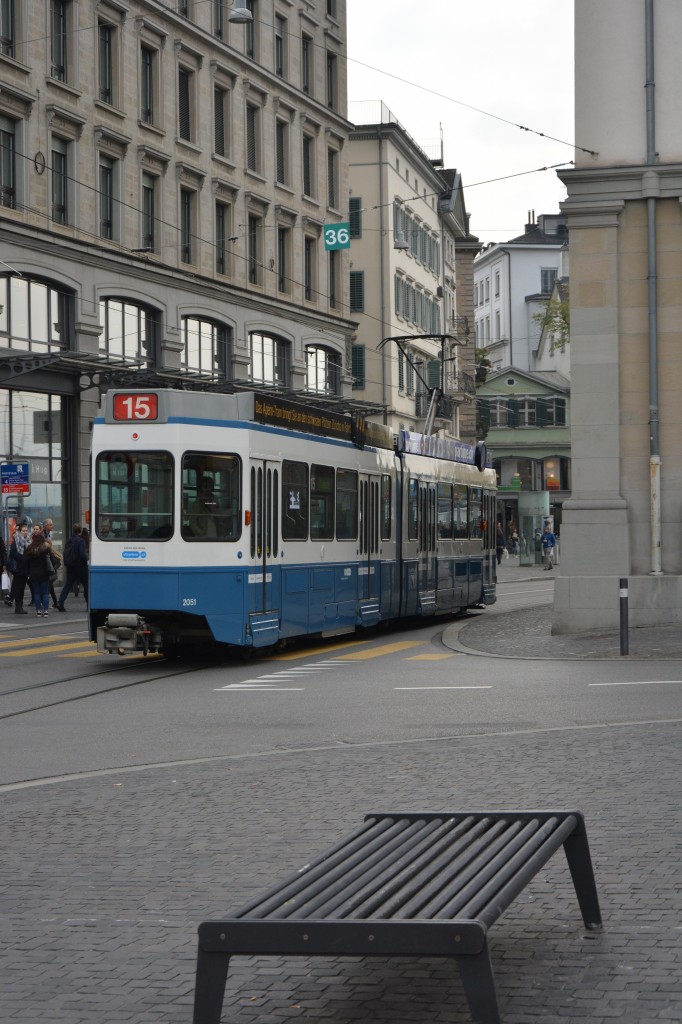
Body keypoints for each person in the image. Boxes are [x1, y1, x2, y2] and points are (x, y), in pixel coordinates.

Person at [24, 528, 59, 617]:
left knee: (36, 593)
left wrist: (28, 573)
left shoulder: (30, 549)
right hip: (44, 573)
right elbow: (52, 560)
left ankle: (38, 611)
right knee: (44, 593)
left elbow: (26, 562)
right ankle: (46, 611)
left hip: (33, 574)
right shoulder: (46, 549)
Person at [57, 524, 89, 611]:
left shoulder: (70, 540)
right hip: (80, 566)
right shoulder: (81, 541)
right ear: (80, 531)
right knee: (86, 585)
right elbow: (82, 555)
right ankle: (88, 604)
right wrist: (87, 559)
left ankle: (60, 603)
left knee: (68, 585)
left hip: (71, 566)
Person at [8, 522, 31, 614]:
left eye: (26, 530)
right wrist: (23, 559)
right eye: (23, 531)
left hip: (25, 569)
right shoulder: (16, 541)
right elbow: (12, 554)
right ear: (19, 531)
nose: (25, 532)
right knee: (18, 588)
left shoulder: (27, 541)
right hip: (18, 569)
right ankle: (18, 607)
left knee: (22, 588)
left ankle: (20, 606)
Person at [41, 518, 61, 608]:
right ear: (46, 526)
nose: (52, 526)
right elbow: (48, 548)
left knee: (50, 582)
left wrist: (58, 554)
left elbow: (51, 547)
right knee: (49, 582)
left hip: (51, 560)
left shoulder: (47, 534)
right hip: (47, 560)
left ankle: (55, 602)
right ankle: (51, 602)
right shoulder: (43, 535)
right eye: (51, 525)